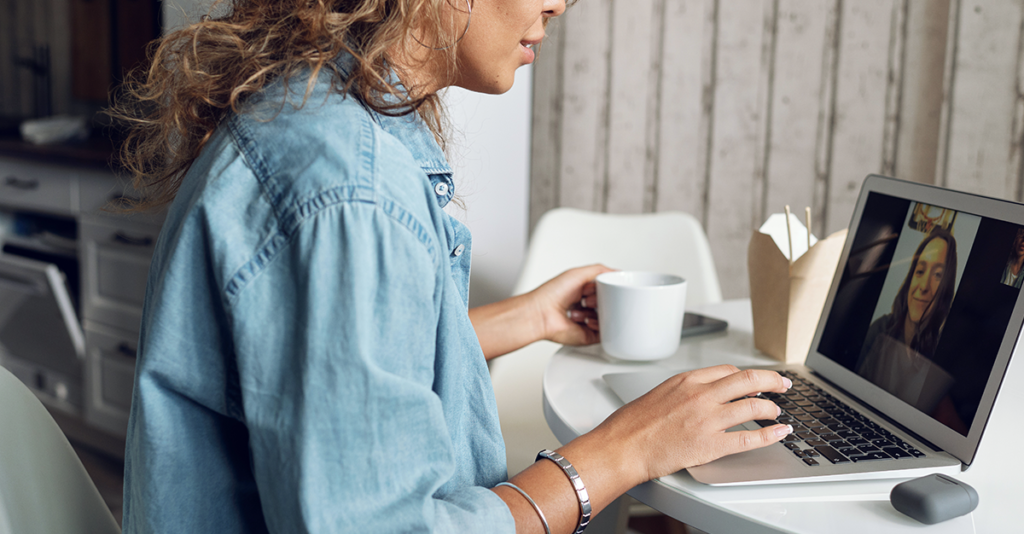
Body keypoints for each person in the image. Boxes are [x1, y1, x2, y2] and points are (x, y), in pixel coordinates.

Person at [111, 1, 793, 532]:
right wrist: (623, 451)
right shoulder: (353, 192)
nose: (560, 6)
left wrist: (528, 317)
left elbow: (330, 379)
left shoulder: (314, 120)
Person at [856, 228, 957, 412]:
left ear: (946, 288)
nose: (924, 286)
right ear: (911, 276)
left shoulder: (942, 356)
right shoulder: (879, 331)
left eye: (937, 275)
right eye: (920, 271)